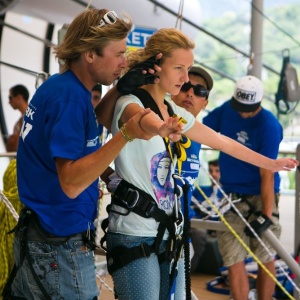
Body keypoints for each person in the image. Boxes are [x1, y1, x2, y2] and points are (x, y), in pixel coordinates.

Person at [104, 28, 298, 300]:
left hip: (173, 233)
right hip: (136, 233)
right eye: (180, 68)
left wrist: (271, 163)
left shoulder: (176, 112)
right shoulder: (130, 102)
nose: (185, 79)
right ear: (157, 66)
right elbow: (141, 120)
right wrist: (162, 129)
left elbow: (222, 142)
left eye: (189, 69)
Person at [7, 9, 181, 300]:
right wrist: (126, 134)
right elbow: (72, 182)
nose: (124, 62)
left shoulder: (62, 87)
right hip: (58, 245)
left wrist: (118, 89)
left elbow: (81, 145)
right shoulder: (70, 99)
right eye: (119, 54)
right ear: (90, 54)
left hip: (41, 236)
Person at [203, 75, 284, 300]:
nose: (243, 113)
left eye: (248, 109)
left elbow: (267, 173)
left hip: (262, 194)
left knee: (265, 255)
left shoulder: (268, 125)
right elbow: (201, 129)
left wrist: (266, 215)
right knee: (232, 256)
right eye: (240, 107)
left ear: (258, 103)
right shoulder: (227, 110)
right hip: (231, 195)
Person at [171, 65, 213, 274]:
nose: (190, 93)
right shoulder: (157, 123)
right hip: (148, 232)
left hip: (180, 231)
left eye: (199, 91)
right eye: (186, 85)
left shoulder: (198, 136)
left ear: (205, 102)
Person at [6, 84, 29, 152]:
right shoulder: (18, 124)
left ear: (19, 97)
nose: (9, 102)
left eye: (10, 97)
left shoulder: (34, 117)